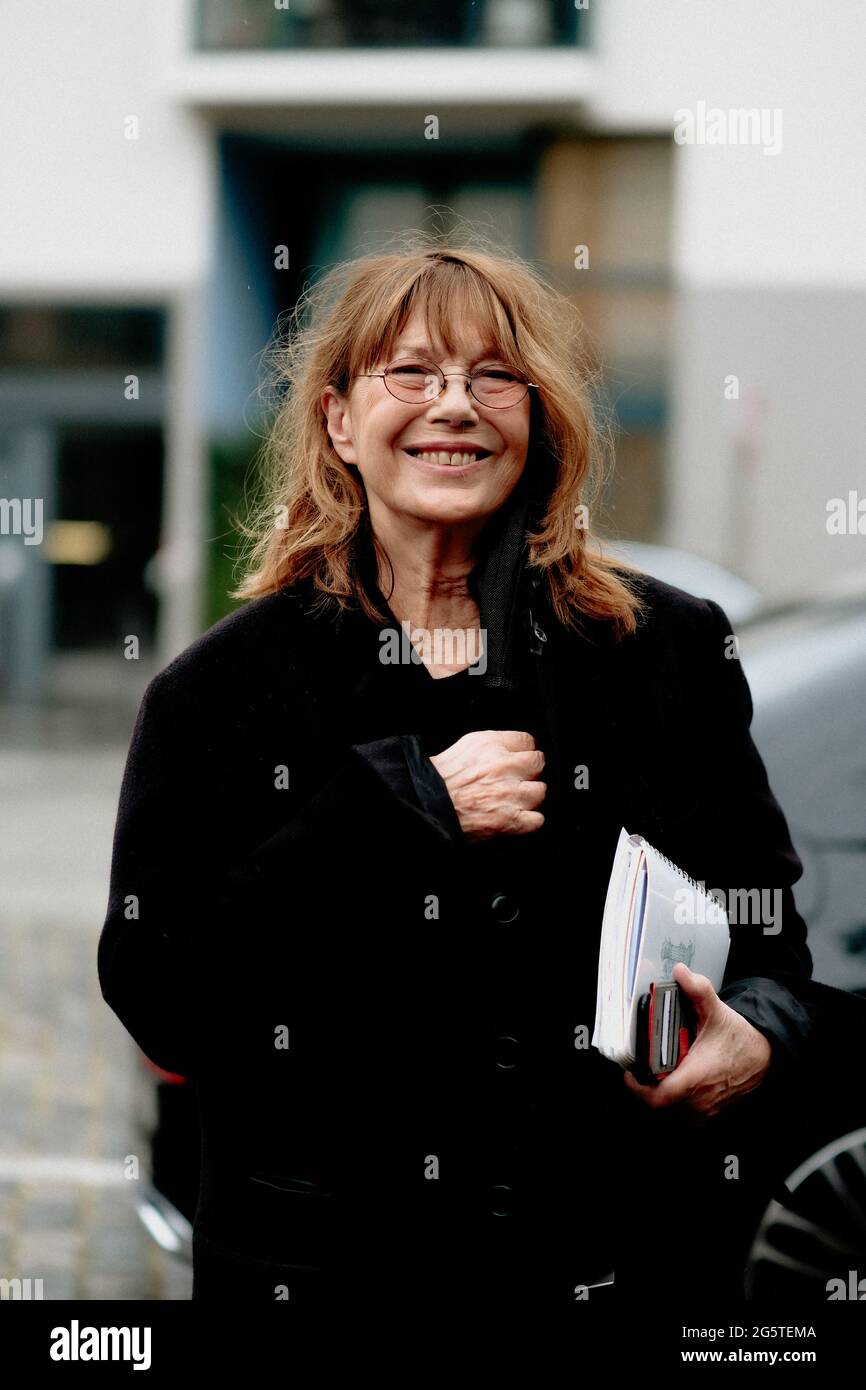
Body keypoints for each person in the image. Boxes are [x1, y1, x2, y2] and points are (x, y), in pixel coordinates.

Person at [98, 237, 818, 1313]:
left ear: (535, 424)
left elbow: (765, 932)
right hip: (322, 1274)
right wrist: (404, 813)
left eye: (493, 376)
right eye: (411, 373)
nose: (455, 405)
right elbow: (163, 991)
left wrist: (756, 1033)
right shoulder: (221, 690)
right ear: (339, 421)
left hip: (600, 1266)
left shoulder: (662, 651)